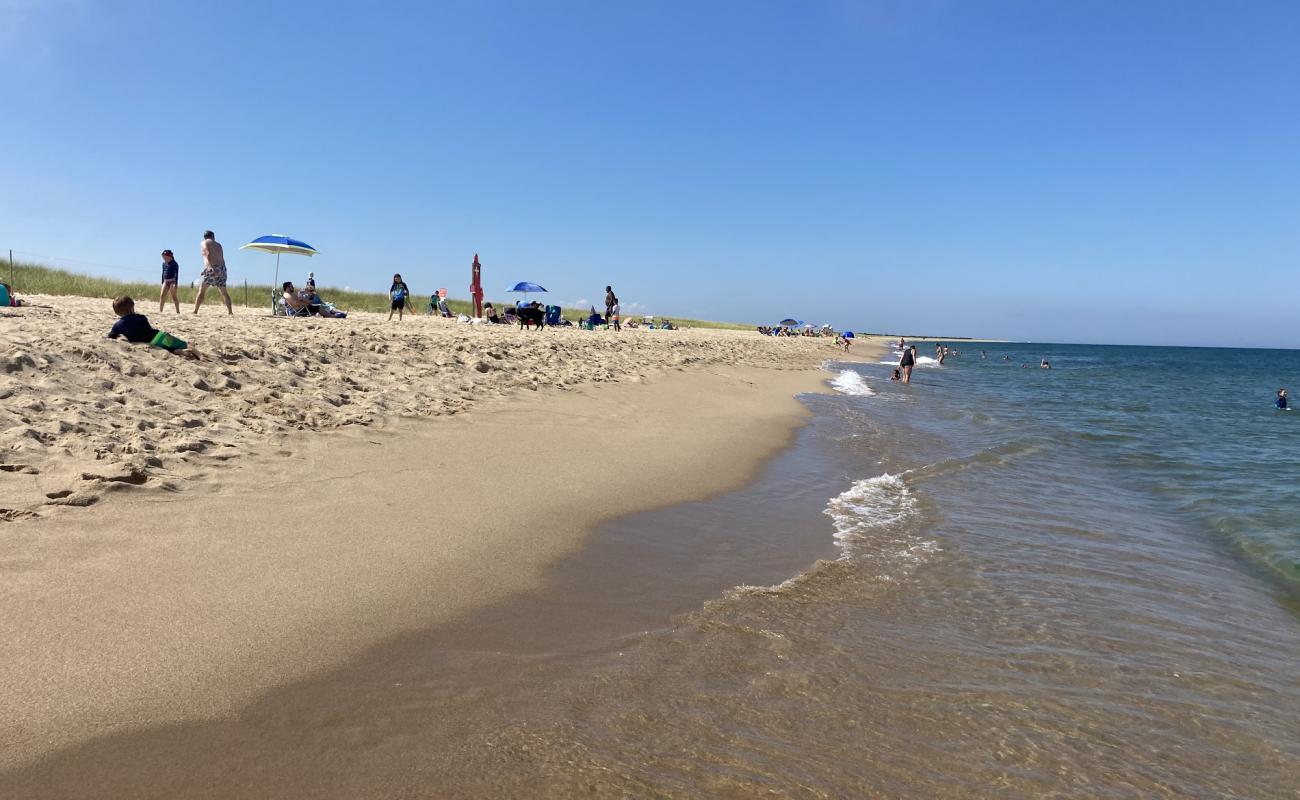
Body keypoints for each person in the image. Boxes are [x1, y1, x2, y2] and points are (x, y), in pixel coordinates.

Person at [108, 296, 199, 359]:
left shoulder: (118, 325)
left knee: (165, 347)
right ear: (132, 308)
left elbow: (111, 336)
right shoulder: (141, 317)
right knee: (184, 344)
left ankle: (176, 351)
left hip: (148, 343)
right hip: (158, 337)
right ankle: (199, 355)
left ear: (116, 312)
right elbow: (148, 330)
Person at [193, 231, 233, 315]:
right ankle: (230, 311)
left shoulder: (204, 242)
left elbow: (206, 254)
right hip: (222, 269)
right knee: (224, 292)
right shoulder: (219, 245)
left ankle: (195, 311)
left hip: (213, 267)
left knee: (202, 290)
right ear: (213, 236)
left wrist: (209, 267)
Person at [470, 254, 484, 318]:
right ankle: (477, 315)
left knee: (479, 305)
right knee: (477, 304)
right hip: (476, 289)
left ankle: (478, 315)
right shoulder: (476, 267)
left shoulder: (477, 267)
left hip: (477, 289)